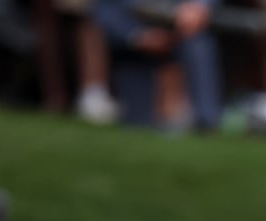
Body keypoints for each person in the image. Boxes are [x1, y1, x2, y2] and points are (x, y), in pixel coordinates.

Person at [91, 0, 222, 130]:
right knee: (137, 124)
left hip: (184, 29)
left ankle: (202, 118)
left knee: (198, 44)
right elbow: (104, 10)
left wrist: (199, 5)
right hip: (133, 43)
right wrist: (135, 37)